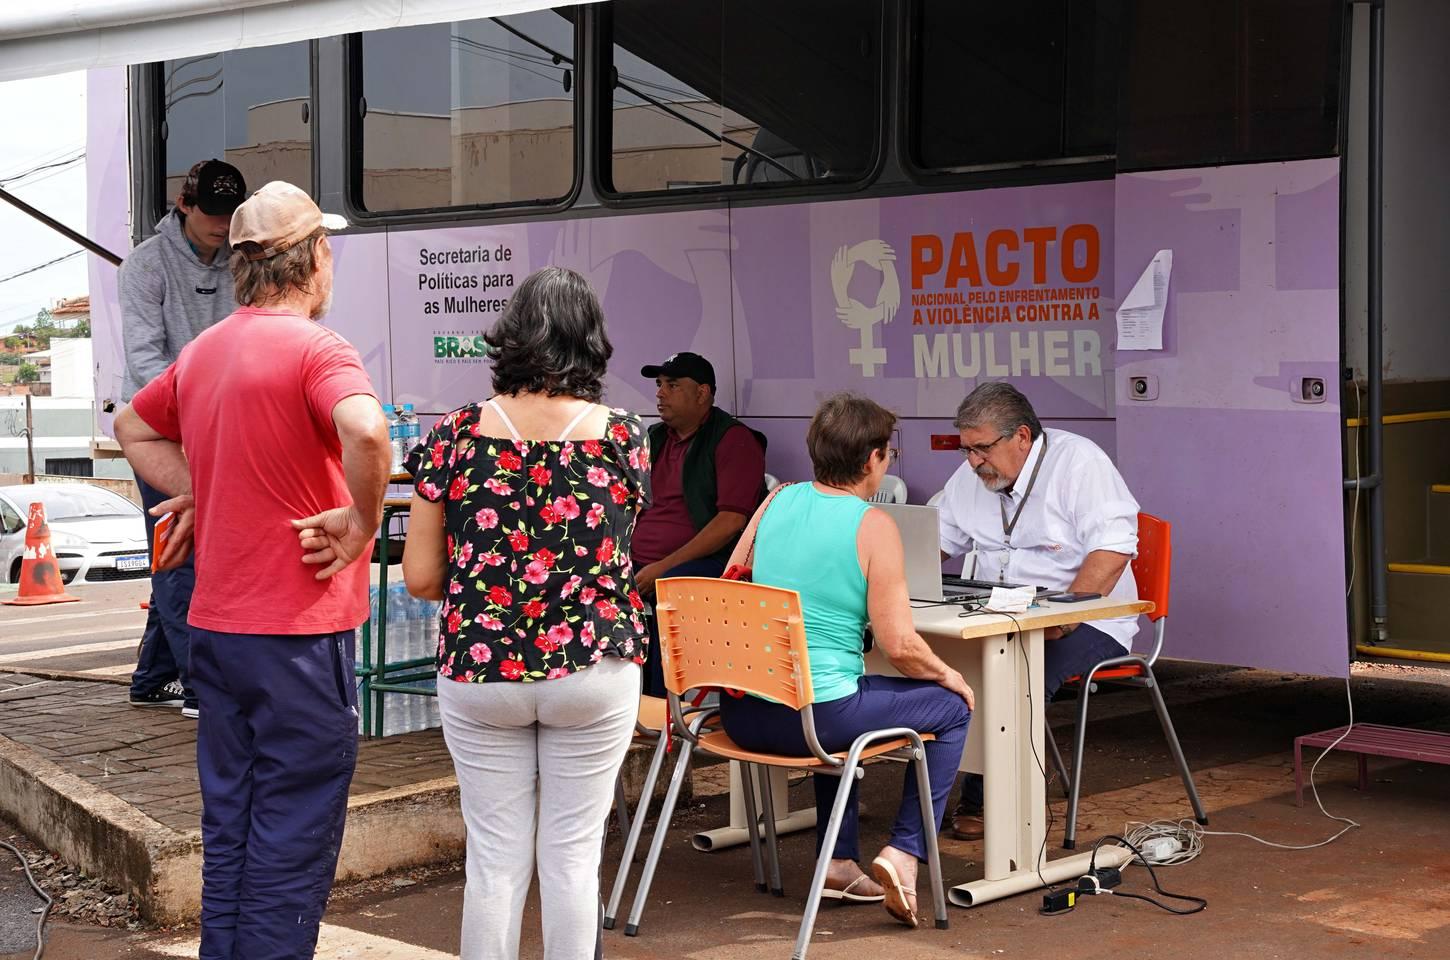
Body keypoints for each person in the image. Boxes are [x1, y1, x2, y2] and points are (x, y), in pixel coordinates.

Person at [115, 180, 390, 960]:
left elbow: (131, 424)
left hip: (215, 630)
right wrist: (363, 521)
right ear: (316, 259)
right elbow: (366, 430)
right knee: (293, 831)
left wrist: (204, 485)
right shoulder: (317, 348)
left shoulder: (204, 351)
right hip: (298, 635)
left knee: (231, 823)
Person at [402, 266, 651, 960]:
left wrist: (489, 582)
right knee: (572, 858)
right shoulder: (626, 437)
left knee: (494, 861)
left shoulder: (453, 435)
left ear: (509, 336)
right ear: (591, 342)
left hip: (482, 670)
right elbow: (617, 551)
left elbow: (421, 576)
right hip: (594, 667)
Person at [717, 392, 973, 929]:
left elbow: (735, 587)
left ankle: (836, 863)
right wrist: (952, 675)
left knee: (843, 691)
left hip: (744, 715)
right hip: (815, 721)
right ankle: (904, 853)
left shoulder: (775, 502)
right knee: (952, 707)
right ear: (873, 459)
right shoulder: (874, 525)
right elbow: (899, 645)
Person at [937, 381, 1140, 841]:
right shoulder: (969, 477)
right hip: (999, 615)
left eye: (982, 449)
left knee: (1016, 671)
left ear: (1022, 436)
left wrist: (1063, 616)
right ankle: (943, 788)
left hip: (1088, 617)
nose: (973, 462)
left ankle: (994, 800)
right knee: (939, 664)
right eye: (966, 449)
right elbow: (934, 541)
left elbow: (1112, 550)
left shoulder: (1079, 463)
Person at [121, 158, 247, 718]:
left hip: (220, 425)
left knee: (179, 548)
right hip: (158, 428)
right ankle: (201, 686)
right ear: (184, 205)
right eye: (211, 213)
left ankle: (153, 677)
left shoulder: (243, 261)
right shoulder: (146, 266)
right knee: (180, 554)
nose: (221, 224)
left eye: (230, 214)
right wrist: (196, 412)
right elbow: (145, 357)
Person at [631, 351, 765, 695]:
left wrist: (662, 566)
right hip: (645, 561)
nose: (660, 393)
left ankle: (662, 710)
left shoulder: (733, 440)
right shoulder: (654, 438)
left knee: (670, 587)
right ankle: (616, 703)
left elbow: (731, 522)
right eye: (660, 385)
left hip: (712, 563)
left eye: (672, 385)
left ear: (702, 393)